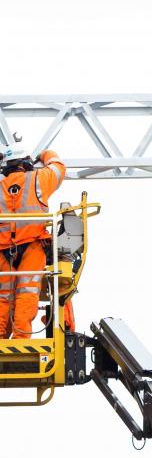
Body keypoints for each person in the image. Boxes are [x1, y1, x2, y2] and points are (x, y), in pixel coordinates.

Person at [0, 137, 65, 339]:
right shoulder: (39, 178)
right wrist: (45, 154)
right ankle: (20, 341)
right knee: (27, 293)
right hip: (32, 247)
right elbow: (59, 168)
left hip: (2, 251)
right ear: (26, 163)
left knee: (3, 298)